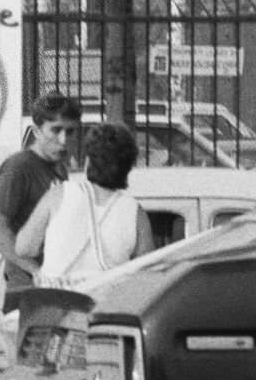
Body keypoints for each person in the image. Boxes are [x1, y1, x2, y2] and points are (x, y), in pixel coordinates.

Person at [16, 122, 155, 289]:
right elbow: (147, 274)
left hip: (55, 305)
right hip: (104, 306)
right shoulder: (135, 213)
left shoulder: (59, 194)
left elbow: (24, 248)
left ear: (88, 160)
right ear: (127, 168)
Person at [0, 90, 81, 313]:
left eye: (70, 131)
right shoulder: (20, 167)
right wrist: (36, 271)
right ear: (37, 131)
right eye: (55, 130)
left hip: (54, 289)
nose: (64, 140)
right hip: (27, 292)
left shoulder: (58, 168)